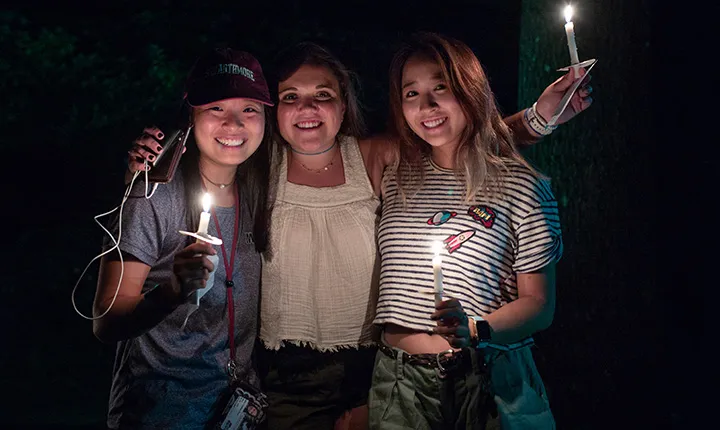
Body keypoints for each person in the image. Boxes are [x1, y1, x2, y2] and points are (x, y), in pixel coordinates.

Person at [127, 41, 591, 430]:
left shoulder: (374, 159)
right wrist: (152, 157)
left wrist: (537, 120)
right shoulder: (259, 167)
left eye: (322, 95)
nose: (307, 109)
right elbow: (213, 145)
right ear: (274, 110)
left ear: (344, 103)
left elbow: (457, 142)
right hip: (286, 374)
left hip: (374, 367)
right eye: (290, 97)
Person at [369, 32, 571, 430]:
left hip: (492, 379)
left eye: (440, 88)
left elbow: (539, 305)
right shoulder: (394, 176)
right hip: (400, 384)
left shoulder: (522, 185)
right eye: (411, 94)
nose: (426, 106)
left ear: (469, 89)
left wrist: (475, 329)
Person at [94, 48, 274, 429]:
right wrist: (173, 290)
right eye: (216, 109)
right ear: (190, 116)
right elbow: (106, 321)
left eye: (249, 110)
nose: (234, 124)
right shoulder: (153, 195)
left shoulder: (260, 193)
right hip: (161, 413)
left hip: (236, 412)